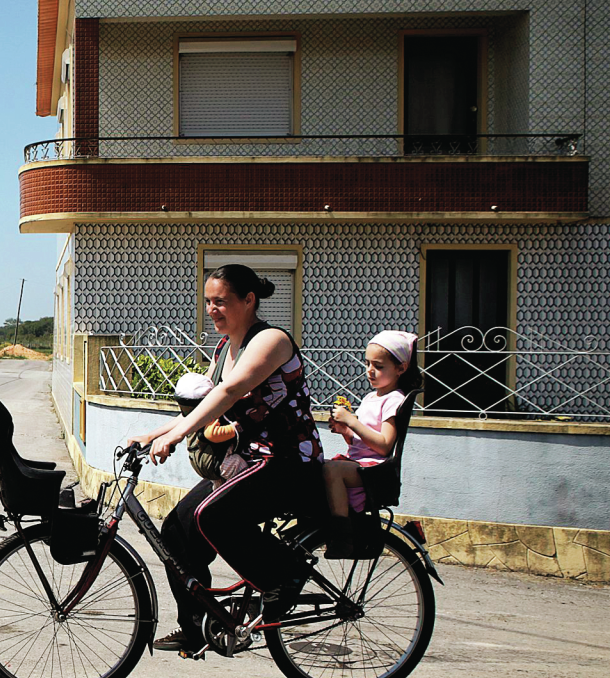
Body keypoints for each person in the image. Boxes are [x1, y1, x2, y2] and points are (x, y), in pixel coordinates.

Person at [134, 264, 325, 656]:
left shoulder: (272, 340)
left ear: (249, 300)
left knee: (212, 516)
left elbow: (234, 388)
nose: (212, 309)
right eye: (208, 301)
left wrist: (177, 434)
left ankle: (281, 579)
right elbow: (207, 403)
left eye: (220, 301)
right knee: (176, 530)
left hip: (285, 462)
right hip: (243, 461)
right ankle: (199, 624)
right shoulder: (225, 348)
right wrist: (155, 433)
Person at [321, 329, 419, 555]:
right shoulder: (370, 397)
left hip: (374, 470)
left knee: (331, 470)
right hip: (360, 464)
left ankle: (342, 536)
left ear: (400, 368)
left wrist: (352, 422)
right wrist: (345, 430)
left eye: (379, 366)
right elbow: (361, 442)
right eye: (367, 363)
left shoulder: (394, 399)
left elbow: (384, 445)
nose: (370, 371)